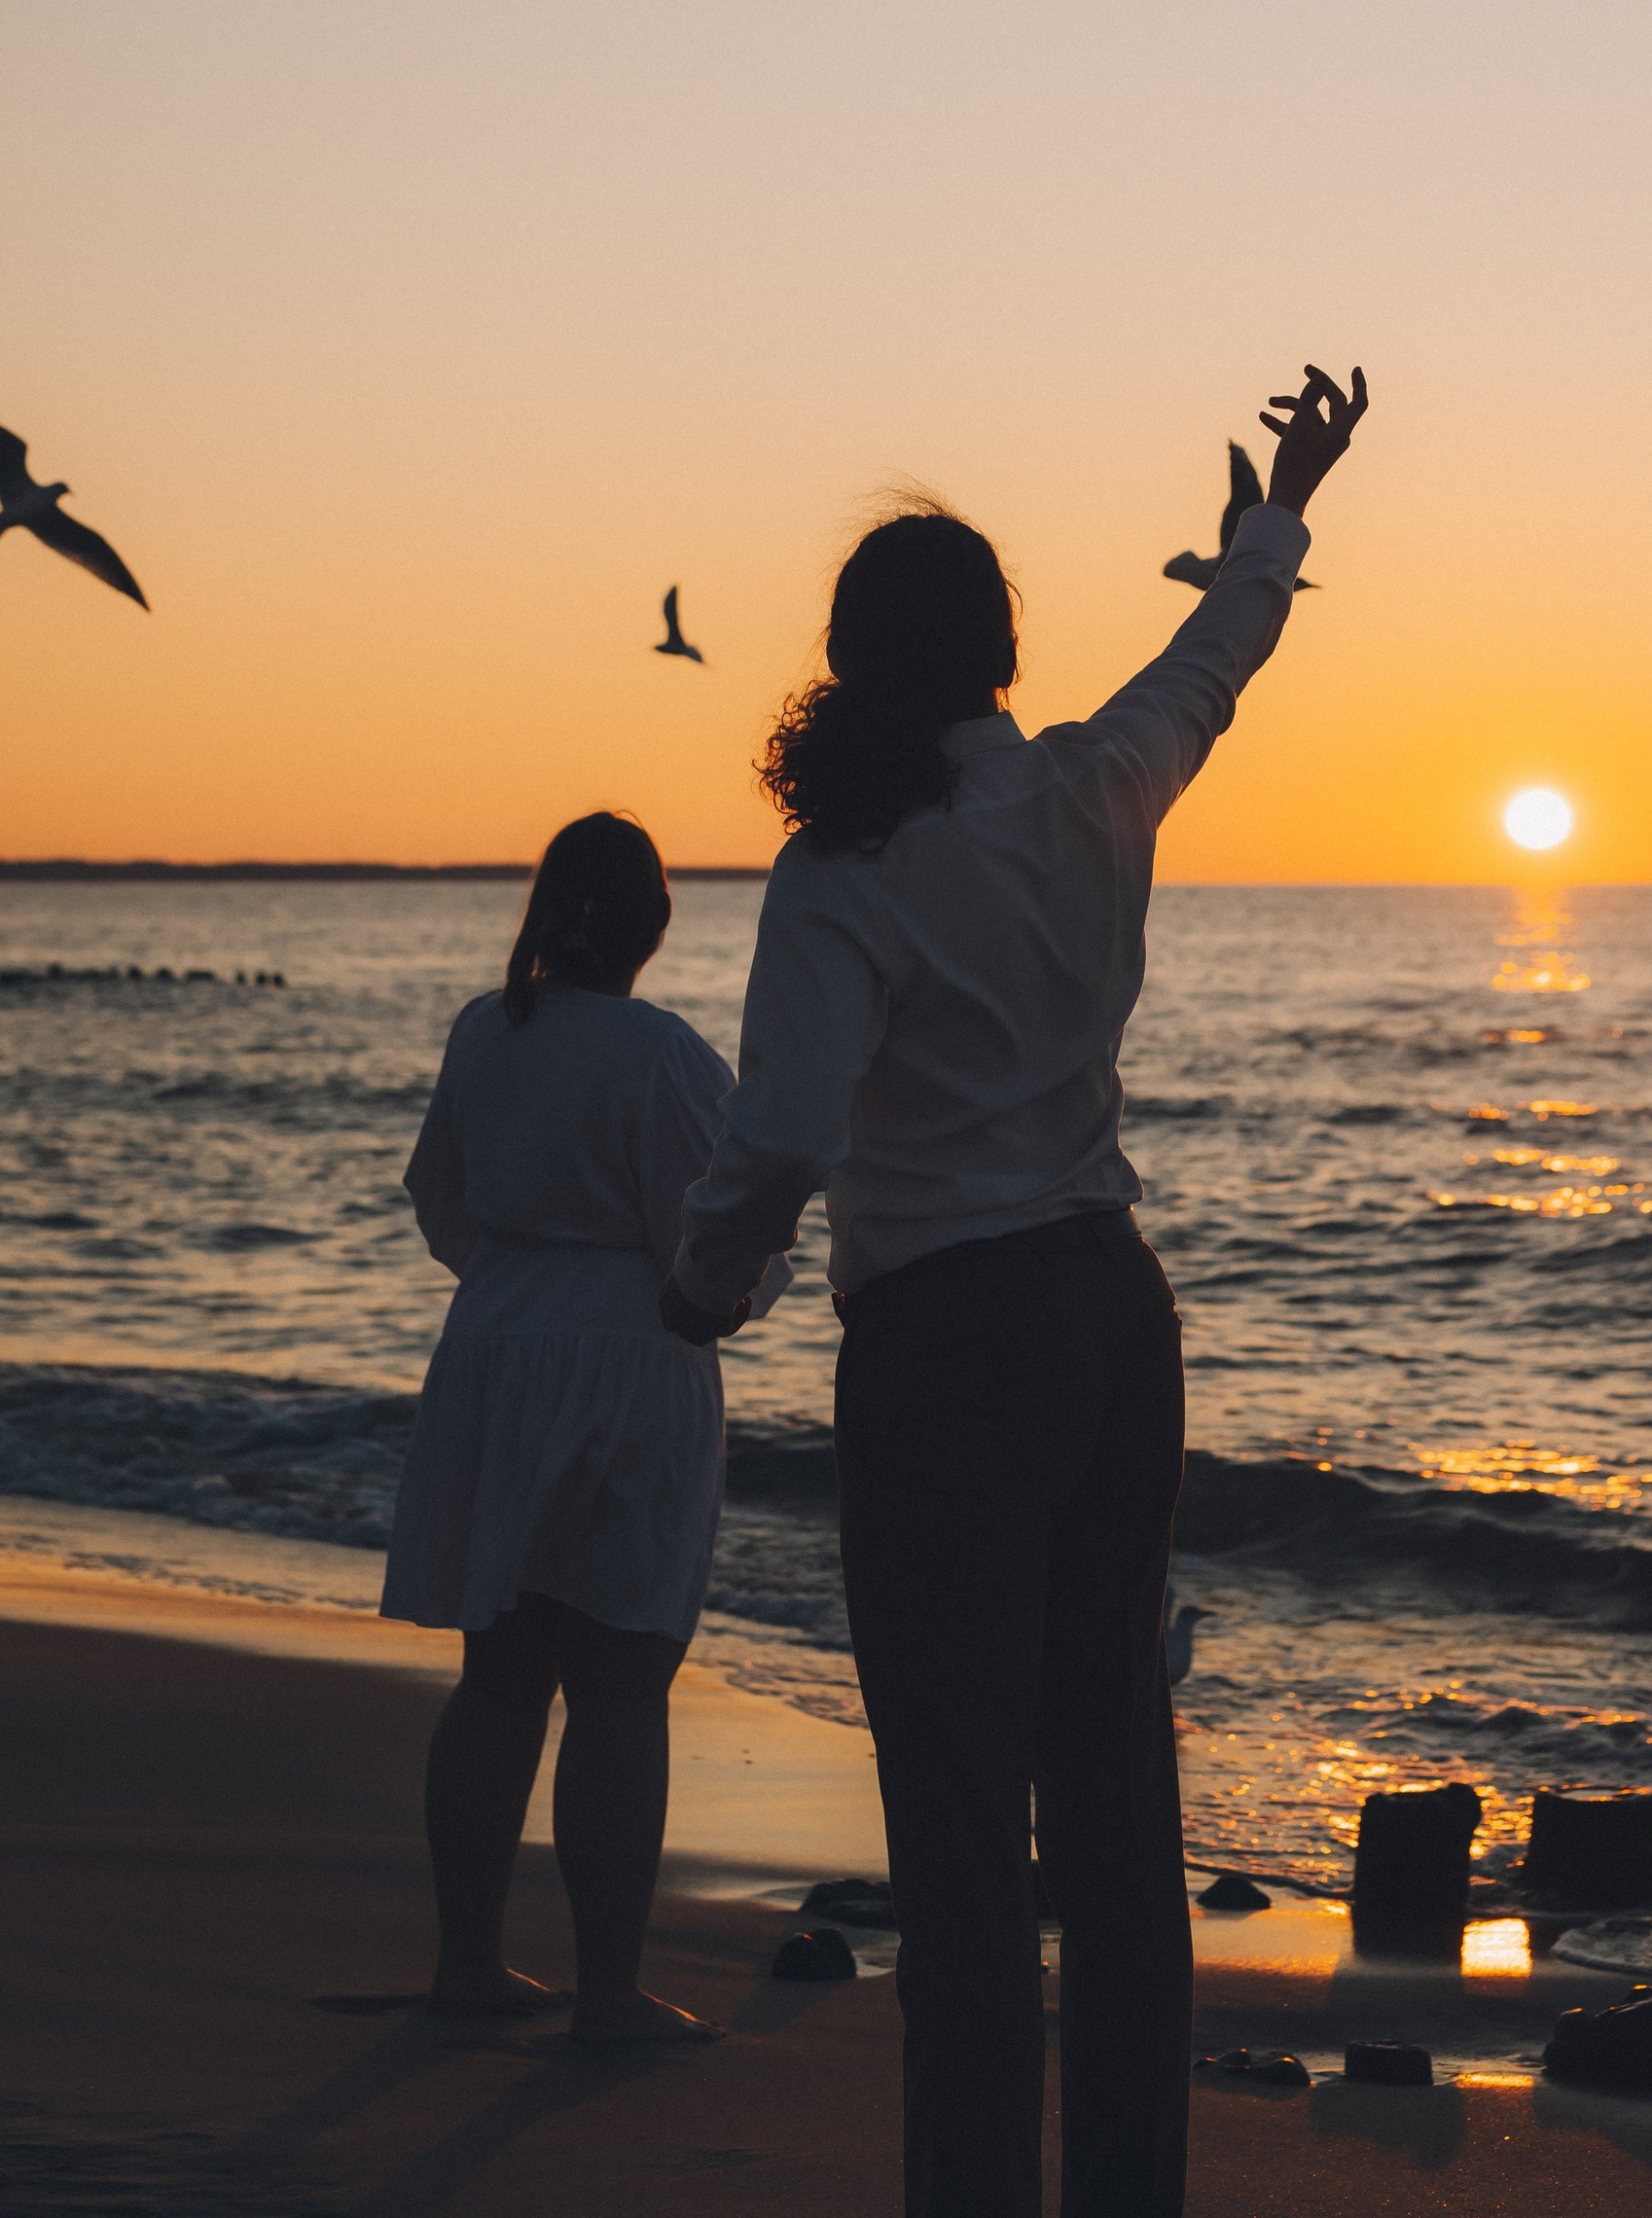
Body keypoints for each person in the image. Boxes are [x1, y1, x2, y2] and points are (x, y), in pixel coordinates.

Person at [665, 364, 1368, 2217]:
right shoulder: (1088, 783)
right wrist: (1280, 513)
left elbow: (788, 1122)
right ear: (998, 651)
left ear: (849, 663)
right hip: (1115, 1312)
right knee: (1117, 1800)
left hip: (953, 1341)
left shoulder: (842, 868)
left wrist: (708, 1282)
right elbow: (1215, 658)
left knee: (966, 1826)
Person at [381, 810, 788, 2044]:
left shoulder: (486, 1029)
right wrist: (741, 1292)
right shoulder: (662, 1053)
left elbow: (439, 1200)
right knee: (619, 1681)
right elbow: (707, 1232)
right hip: (627, 1357)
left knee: (500, 1675)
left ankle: (467, 1962)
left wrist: (519, 1282)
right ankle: (606, 1992)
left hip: (494, 1347)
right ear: (654, 921)